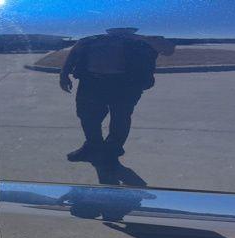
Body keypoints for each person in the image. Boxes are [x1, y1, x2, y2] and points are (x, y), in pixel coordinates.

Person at [60, 28, 166, 163]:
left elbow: (167, 50)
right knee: (87, 116)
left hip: (126, 83)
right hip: (91, 81)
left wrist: (139, 38)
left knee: (120, 117)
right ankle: (93, 146)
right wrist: (64, 73)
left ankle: (112, 150)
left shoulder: (140, 38)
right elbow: (76, 50)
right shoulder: (95, 36)